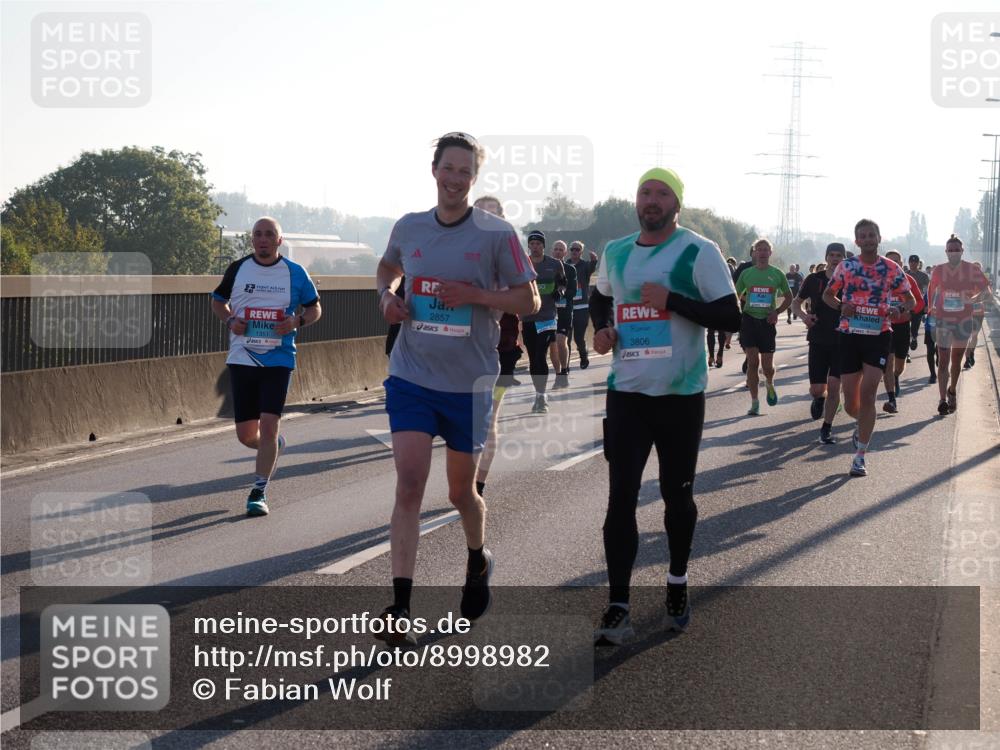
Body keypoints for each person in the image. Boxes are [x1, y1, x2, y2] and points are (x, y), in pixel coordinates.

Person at [375, 132, 539, 643]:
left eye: (465, 172)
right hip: (411, 375)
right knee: (409, 481)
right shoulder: (410, 226)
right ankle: (400, 609)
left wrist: (476, 295)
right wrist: (387, 297)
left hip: (468, 383)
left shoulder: (497, 234)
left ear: (474, 177)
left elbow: (530, 301)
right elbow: (387, 268)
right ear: (434, 170)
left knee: (460, 492)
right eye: (448, 169)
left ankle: (476, 557)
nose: (455, 179)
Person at [590, 167, 741, 644]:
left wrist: (673, 300)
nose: (651, 200)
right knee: (621, 499)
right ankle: (618, 605)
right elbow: (600, 299)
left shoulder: (698, 251)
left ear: (677, 203)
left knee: (677, 498)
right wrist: (602, 330)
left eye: (661, 193)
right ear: (636, 201)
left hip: (680, 397)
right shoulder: (615, 252)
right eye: (644, 192)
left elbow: (730, 316)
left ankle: (677, 579)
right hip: (628, 394)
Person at [211, 216, 322, 516]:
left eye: (269, 234)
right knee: (247, 435)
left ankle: (258, 491)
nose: (263, 239)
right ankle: (272, 446)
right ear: (252, 240)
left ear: (279, 240)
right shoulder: (238, 269)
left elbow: (315, 308)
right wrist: (231, 319)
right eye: (258, 234)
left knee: (269, 424)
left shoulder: (295, 273)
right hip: (242, 357)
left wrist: (297, 321)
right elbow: (218, 300)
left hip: (279, 358)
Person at [822, 219, 914, 477]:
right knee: (851, 401)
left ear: (879, 238)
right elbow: (828, 296)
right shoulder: (847, 266)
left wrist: (899, 308)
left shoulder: (891, 268)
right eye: (863, 236)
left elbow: (911, 299)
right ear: (857, 241)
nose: (868, 239)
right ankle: (861, 424)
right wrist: (842, 306)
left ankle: (860, 455)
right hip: (850, 334)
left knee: (870, 393)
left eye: (872, 235)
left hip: (879, 334)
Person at [472, 195, 522, 497]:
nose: (485, 219)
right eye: (479, 213)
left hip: (501, 352)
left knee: (488, 418)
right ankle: (465, 482)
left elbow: (527, 301)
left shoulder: (511, 255)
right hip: (460, 352)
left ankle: (477, 486)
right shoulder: (457, 252)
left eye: (492, 214)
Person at [926, 236, 991, 414]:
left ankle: (952, 390)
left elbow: (987, 293)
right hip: (943, 321)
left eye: (957, 249)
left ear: (962, 251)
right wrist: (930, 307)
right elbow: (932, 290)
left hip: (963, 321)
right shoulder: (939, 270)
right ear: (946, 252)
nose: (953, 252)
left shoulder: (972, 270)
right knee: (943, 361)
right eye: (950, 249)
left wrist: (972, 299)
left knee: (956, 362)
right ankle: (941, 400)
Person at [792, 242, 846, 443]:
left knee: (834, 385)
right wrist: (805, 317)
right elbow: (796, 303)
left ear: (843, 259)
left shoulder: (850, 280)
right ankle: (819, 399)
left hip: (842, 339)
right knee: (817, 389)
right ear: (826, 257)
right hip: (818, 338)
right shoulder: (813, 279)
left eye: (838, 255)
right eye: (831, 255)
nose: (835, 258)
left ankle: (827, 427)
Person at [734, 238, 792, 415]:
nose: (762, 252)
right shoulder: (747, 274)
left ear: (770, 253)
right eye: (759, 249)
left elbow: (789, 297)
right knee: (752, 361)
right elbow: (735, 294)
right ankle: (754, 402)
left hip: (767, 322)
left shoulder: (777, 274)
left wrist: (777, 312)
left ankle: (770, 382)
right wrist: (738, 313)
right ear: (754, 252)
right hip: (749, 320)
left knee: (767, 366)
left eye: (766, 249)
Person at [522, 230, 567, 412]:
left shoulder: (555, 264)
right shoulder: (523, 264)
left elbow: (563, 283)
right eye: (532, 244)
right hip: (528, 317)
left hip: (548, 317)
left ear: (543, 245)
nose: (535, 247)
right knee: (534, 358)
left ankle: (542, 398)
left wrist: (560, 291)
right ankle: (539, 394)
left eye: (538, 244)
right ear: (529, 246)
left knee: (541, 354)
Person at [880, 251, 925, 414]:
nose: (893, 264)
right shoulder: (878, 279)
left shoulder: (907, 279)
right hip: (884, 326)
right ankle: (892, 400)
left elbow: (919, 302)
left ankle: (896, 376)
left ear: (901, 263)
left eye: (896, 261)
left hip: (902, 326)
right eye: (890, 261)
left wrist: (909, 312)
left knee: (898, 366)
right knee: (888, 362)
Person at [567, 241, 600, 369]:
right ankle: (565, 365)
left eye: (577, 249)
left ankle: (583, 356)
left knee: (578, 337)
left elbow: (592, 267)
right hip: (567, 307)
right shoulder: (565, 265)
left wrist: (594, 260)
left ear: (581, 252)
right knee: (566, 339)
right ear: (570, 251)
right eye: (572, 249)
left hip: (582, 308)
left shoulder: (585, 266)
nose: (575, 251)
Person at [550, 240, 577, 389]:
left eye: (561, 250)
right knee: (553, 345)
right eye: (556, 249)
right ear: (552, 251)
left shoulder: (570, 270)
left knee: (561, 341)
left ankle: (565, 372)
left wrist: (560, 294)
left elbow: (573, 291)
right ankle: (559, 375)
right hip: (549, 312)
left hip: (565, 311)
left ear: (565, 253)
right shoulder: (546, 268)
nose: (559, 252)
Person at [964, 261, 987, 369]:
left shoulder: (983, 282)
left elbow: (988, 294)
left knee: (974, 336)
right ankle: (967, 359)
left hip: (978, 313)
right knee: (967, 336)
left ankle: (971, 353)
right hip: (966, 313)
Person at [906, 254, 930, 350]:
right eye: (911, 262)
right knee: (905, 327)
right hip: (907, 303)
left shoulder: (923, 276)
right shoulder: (904, 274)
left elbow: (927, 291)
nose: (913, 264)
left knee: (915, 326)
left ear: (918, 263)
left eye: (915, 262)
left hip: (919, 304)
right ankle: (906, 350)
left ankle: (914, 338)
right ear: (909, 263)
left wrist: (927, 304)